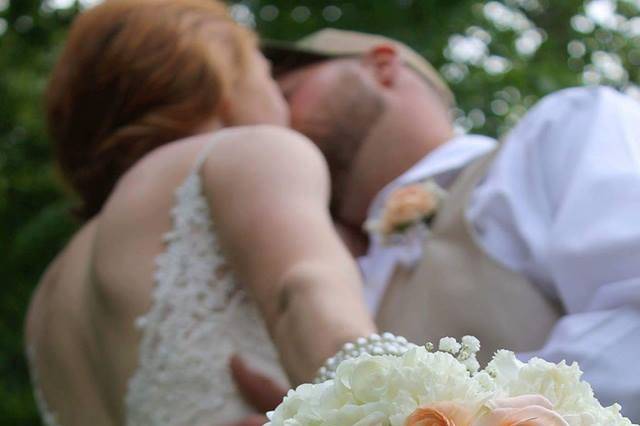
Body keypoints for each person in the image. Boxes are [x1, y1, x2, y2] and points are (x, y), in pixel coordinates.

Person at [232, 29, 640, 424]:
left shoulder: (559, 133)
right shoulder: (326, 270)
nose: (275, 122)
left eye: (286, 94)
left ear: (382, 66)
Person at [24, 3, 377, 425]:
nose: (283, 103)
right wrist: (391, 401)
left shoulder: (51, 290)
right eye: (267, 73)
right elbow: (301, 289)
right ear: (224, 75)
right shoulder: (248, 151)